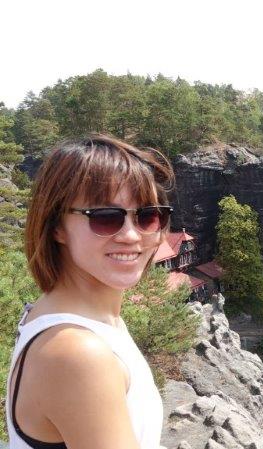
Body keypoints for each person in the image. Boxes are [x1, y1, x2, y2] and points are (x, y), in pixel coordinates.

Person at [6, 135, 173, 449]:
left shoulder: (72, 318)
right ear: (56, 226)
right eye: (105, 218)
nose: (131, 235)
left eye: (149, 216)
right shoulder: (77, 352)